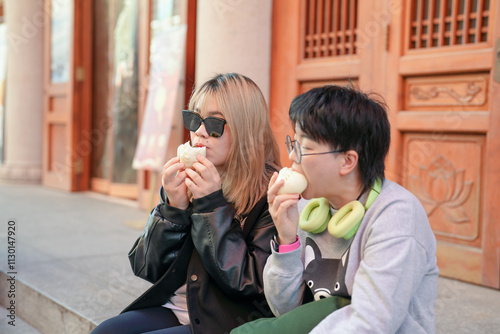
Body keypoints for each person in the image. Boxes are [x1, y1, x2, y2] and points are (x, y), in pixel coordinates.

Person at [232, 84, 439, 333]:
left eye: (305, 148)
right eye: (293, 144)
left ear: (347, 161)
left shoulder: (396, 216)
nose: (292, 158)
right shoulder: (310, 208)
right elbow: (285, 312)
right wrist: (286, 241)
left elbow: (370, 324)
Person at [91, 73, 281, 334]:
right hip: (176, 308)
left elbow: (248, 283)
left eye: (214, 124)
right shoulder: (187, 180)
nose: (200, 132)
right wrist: (172, 210)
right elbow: (146, 267)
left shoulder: (271, 192)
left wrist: (211, 206)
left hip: (224, 319)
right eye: (194, 119)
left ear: (245, 129)